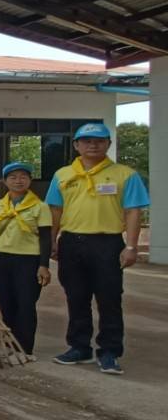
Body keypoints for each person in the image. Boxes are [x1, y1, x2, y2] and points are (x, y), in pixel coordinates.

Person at [46, 121, 149, 374]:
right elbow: (55, 211)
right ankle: (79, 347)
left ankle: (110, 351)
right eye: (87, 141)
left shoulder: (125, 174)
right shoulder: (62, 175)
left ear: (108, 144)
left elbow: (133, 211)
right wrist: (52, 241)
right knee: (76, 297)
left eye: (99, 141)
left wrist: (131, 246)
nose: (93, 145)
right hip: (72, 242)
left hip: (107, 243)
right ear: (76, 145)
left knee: (109, 298)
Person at [0, 162, 52, 360]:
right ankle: (11, 345)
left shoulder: (40, 206)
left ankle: (25, 349)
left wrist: (44, 265)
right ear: (5, 181)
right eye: (13, 177)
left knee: (26, 305)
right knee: (6, 304)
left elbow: (45, 238)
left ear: (30, 180)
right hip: (0, 258)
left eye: (23, 177)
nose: (18, 181)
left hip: (28, 260)